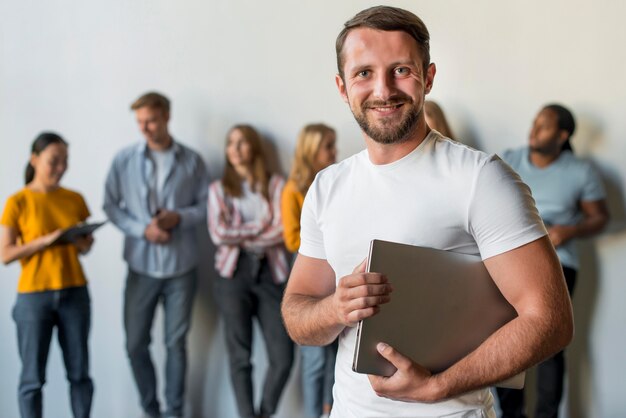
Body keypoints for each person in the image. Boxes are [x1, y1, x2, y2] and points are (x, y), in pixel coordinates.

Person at [280, 6, 574, 418]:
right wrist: (334, 309)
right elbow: (297, 311)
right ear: (343, 87)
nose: (383, 90)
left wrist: (439, 386)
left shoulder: (480, 178)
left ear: (428, 78)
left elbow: (550, 320)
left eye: (400, 70)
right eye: (364, 73)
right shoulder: (327, 188)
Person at [496, 104, 609, 418]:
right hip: (510, 262)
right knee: (505, 339)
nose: (534, 130)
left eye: (544, 126)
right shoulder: (510, 159)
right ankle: (511, 415)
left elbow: (600, 217)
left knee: (549, 345)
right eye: (534, 123)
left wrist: (567, 230)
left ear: (562, 136)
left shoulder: (580, 171)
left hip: (559, 263)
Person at [103, 92, 208, 418]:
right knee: (135, 344)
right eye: (139, 122)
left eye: (150, 121)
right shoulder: (124, 160)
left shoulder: (192, 161)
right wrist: (141, 230)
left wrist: (179, 217)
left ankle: (174, 412)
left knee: (175, 345)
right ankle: (151, 411)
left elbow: (206, 206)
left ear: (165, 116)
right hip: (140, 266)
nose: (144, 128)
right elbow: (110, 206)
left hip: (181, 268)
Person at [1, 132, 94, 418]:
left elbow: (87, 246)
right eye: (54, 161)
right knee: (32, 379)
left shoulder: (74, 198)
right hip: (33, 296)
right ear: (35, 159)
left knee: (79, 373)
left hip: (74, 291)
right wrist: (44, 241)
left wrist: (77, 239)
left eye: (65, 161)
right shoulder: (18, 202)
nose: (60, 167)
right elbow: (5, 254)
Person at [208, 125, 294, 418]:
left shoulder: (276, 185)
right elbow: (218, 234)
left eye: (242, 142)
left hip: (271, 272)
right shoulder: (218, 189)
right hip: (233, 274)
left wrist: (241, 233)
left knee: (282, 357)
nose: (236, 148)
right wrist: (259, 227)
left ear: (254, 148)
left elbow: (282, 232)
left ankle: (264, 414)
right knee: (239, 356)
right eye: (231, 143)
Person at [281, 123, 338, 418]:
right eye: (328, 146)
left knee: (334, 352)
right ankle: (313, 412)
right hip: (308, 269)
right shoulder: (292, 190)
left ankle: (329, 410)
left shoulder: (335, 184)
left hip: (334, 271)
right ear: (312, 150)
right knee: (314, 356)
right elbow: (292, 239)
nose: (335, 152)